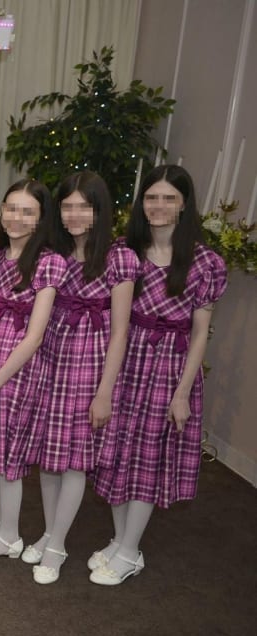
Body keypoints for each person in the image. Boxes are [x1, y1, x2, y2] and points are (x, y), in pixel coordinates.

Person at [89, 165, 226, 585]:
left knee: (148, 460)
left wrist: (183, 392)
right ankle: (120, 539)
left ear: (184, 204)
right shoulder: (124, 252)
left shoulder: (206, 262)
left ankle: (130, 550)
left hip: (169, 368)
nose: (159, 206)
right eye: (151, 198)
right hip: (125, 361)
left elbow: (201, 333)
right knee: (115, 453)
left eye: (169, 198)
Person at [21, 172, 139, 584]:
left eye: (83, 207)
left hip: (89, 364)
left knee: (73, 459)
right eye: (67, 206)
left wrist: (105, 390)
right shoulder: (52, 252)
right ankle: (52, 533)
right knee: (50, 457)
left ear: (99, 210)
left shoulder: (118, 257)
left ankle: (56, 545)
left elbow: (122, 329)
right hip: (50, 357)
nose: (73, 214)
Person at [0, 179, 67, 560]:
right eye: (10, 207)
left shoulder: (49, 263)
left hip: (16, 375)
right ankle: (0, 519)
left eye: (27, 211)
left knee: (9, 458)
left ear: (41, 219)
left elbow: (35, 336)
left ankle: (10, 536)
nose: (16, 217)